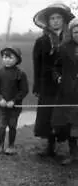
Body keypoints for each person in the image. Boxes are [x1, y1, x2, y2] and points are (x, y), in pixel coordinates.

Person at [32, 3, 75, 157]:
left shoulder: (70, 40)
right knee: (47, 114)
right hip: (47, 84)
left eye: (58, 18)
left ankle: (71, 149)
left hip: (65, 84)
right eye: (52, 18)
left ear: (64, 20)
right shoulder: (41, 41)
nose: (55, 21)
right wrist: (37, 85)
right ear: (48, 21)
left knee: (65, 114)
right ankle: (50, 146)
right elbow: (37, 65)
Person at [0, 46, 29, 155]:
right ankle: (0, 145)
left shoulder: (21, 74)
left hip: (14, 107)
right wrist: (0, 99)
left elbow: (24, 90)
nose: (7, 60)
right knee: (2, 126)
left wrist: (14, 101)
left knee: (12, 125)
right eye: (4, 57)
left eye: (10, 57)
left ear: (17, 60)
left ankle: (11, 146)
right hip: (3, 106)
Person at [51, 17, 78, 165]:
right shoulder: (64, 48)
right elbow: (55, 67)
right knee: (72, 123)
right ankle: (73, 154)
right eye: (75, 31)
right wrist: (59, 78)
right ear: (71, 32)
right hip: (70, 92)